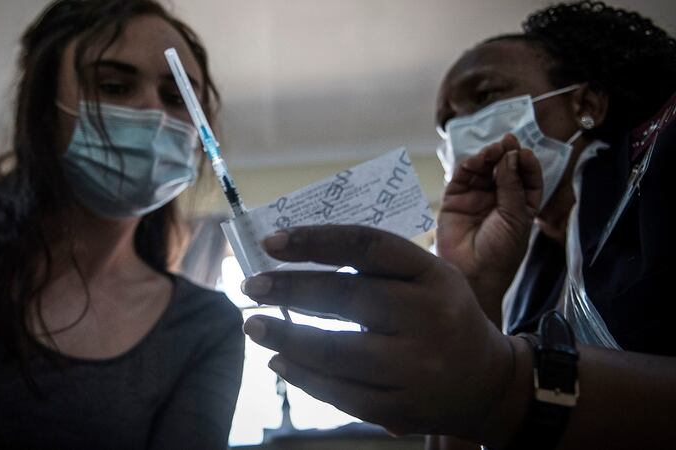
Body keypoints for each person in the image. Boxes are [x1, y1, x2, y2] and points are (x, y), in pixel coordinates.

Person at [240, 1, 675, 449]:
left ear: (586, 102)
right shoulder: (533, 271)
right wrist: (474, 286)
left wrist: (503, 381)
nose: (463, 128)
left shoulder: (664, 165)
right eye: (447, 123)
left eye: (484, 96)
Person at [0, 1, 243, 448]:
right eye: (113, 85)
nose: (154, 112)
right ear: (47, 108)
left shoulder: (206, 327)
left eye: (177, 96)